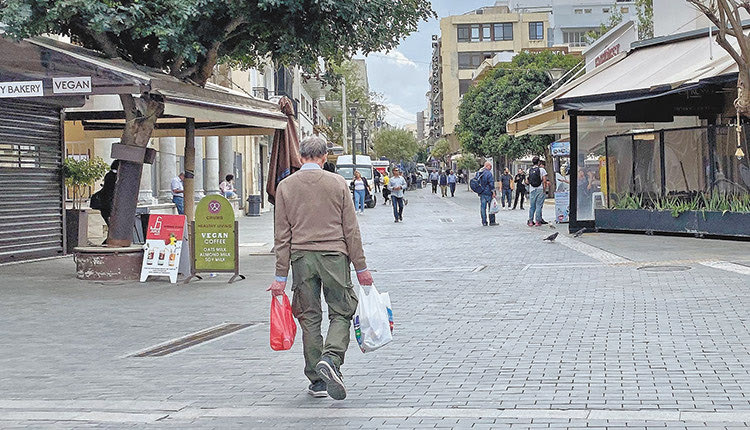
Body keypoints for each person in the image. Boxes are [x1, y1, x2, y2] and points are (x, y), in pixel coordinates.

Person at [268, 136, 373, 401]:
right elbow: (351, 229)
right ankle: (332, 357)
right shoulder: (337, 183)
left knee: (309, 316)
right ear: (325, 156)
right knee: (342, 310)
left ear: (300, 157)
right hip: (334, 256)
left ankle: (317, 380)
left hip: (301, 258)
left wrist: (280, 276)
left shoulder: (285, 187)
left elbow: (282, 235)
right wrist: (361, 268)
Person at [526, 156, 548, 227]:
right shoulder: (542, 170)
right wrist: (544, 189)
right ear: (539, 162)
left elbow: (527, 181)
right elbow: (544, 180)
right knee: (539, 206)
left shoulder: (529, 170)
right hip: (540, 189)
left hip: (532, 189)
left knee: (532, 206)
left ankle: (530, 221)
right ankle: (538, 221)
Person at [99, 160, 119, 226]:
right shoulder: (116, 176)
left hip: (106, 200)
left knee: (107, 216)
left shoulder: (108, 175)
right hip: (111, 201)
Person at [478, 161, 497, 226]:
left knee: (483, 208)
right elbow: (491, 183)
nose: (491, 167)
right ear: (486, 166)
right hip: (488, 192)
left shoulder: (480, 173)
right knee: (491, 207)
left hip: (482, 192)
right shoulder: (489, 174)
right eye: (490, 166)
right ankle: (492, 221)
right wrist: (493, 192)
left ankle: (484, 221)